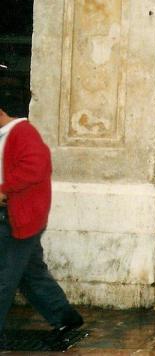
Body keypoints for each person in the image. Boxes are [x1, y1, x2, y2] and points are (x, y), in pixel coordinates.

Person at [0, 91, 83, 340]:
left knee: (5, 276)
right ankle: (64, 317)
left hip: (19, 218)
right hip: (17, 216)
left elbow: (35, 168)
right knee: (31, 273)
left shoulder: (23, 133)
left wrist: (4, 189)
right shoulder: (9, 134)